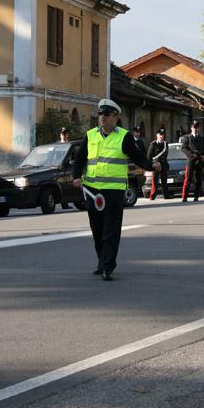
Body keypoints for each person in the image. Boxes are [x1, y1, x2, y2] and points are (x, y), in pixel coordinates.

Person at [73, 99, 160, 280]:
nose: (102, 117)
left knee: (110, 230)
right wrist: (76, 177)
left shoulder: (124, 136)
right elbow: (80, 158)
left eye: (106, 115)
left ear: (115, 117)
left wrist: (151, 165)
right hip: (92, 190)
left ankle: (108, 266)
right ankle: (101, 260)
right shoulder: (90, 135)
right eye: (100, 114)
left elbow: (138, 157)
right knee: (97, 229)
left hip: (113, 190)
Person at [180, 120, 204, 202]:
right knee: (188, 179)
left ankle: (196, 197)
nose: (195, 129)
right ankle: (184, 197)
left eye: (197, 127)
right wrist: (192, 155)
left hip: (199, 161)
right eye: (194, 127)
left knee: (198, 179)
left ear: (199, 128)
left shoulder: (201, 138)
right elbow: (183, 148)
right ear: (191, 128)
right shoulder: (187, 137)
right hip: (191, 160)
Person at [146, 128, 170, 200]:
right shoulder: (153, 144)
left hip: (163, 164)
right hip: (156, 165)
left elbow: (165, 155)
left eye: (162, 135)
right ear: (157, 135)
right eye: (160, 135)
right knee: (155, 181)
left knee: (164, 181)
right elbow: (149, 156)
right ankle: (152, 196)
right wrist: (152, 164)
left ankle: (166, 195)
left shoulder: (166, 144)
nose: (161, 136)